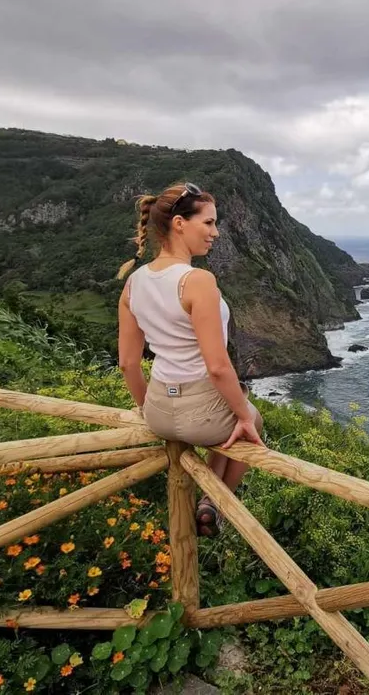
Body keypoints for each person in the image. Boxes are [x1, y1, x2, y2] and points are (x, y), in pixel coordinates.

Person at [115, 181, 264, 537]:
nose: (215, 232)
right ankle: (216, 502)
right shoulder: (197, 280)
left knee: (233, 412)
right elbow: (217, 367)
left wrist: (147, 408)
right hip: (203, 415)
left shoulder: (133, 283)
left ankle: (210, 500)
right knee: (250, 422)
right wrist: (245, 416)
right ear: (180, 224)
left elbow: (128, 364)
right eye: (208, 223)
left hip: (158, 412)